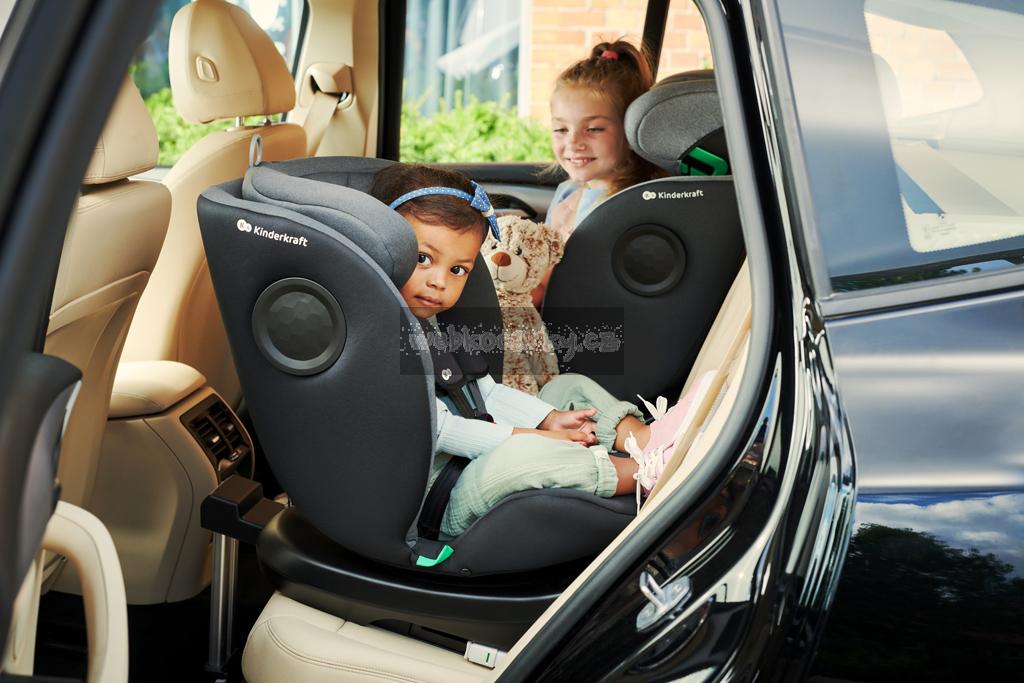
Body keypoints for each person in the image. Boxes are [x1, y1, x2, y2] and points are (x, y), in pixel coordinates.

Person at [370, 163, 700, 538]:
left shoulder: (430, 322)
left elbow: (483, 392)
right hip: (438, 501)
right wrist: (535, 437)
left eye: (458, 270)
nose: (439, 282)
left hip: (468, 464)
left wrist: (548, 419)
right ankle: (647, 472)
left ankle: (644, 440)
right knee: (521, 456)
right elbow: (440, 430)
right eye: (423, 259)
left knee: (567, 387)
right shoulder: (376, 339)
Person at [532, 39, 668, 308]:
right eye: (561, 129)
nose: (573, 142)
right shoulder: (569, 192)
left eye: (593, 129)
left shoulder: (629, 205)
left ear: (631, 131)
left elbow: (560, 285)